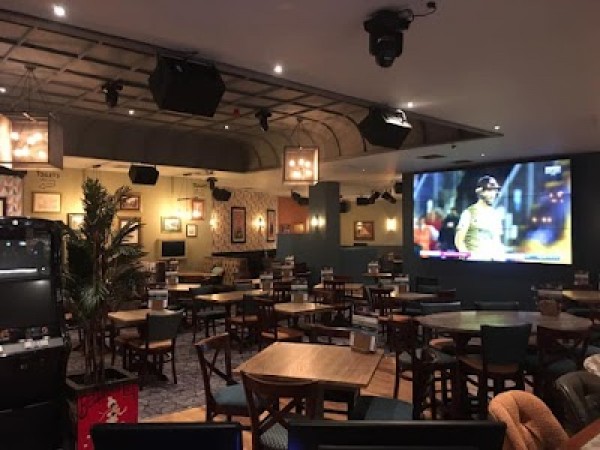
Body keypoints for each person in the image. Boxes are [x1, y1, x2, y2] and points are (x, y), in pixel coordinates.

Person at [455, 176, 504, 260]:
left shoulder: (495, 215)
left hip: (491, 262)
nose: (493, 194)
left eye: (495, 190)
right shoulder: (469, 213)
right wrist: (466, 257)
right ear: (480, 191)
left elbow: (497, 241)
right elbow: (459, 240)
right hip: (473, 261)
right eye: (489, 190)